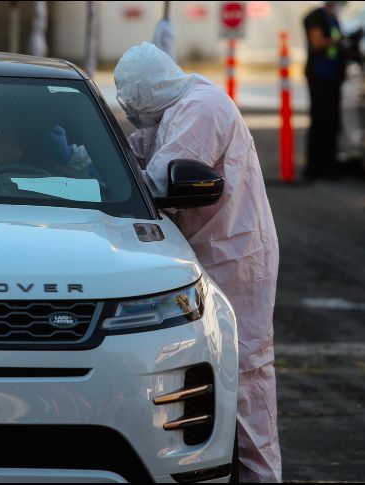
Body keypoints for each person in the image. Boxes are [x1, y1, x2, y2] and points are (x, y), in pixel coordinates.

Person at [114, 43, 281, 482]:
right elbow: (135, 152)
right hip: (210, 251)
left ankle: (261, 476)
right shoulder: (171, 108)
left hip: (237, 255)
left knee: (246, 371)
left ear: (147, 91)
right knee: (214, 369)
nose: (131, 111)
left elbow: (156, 178)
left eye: (132, 101)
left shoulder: (201, 108)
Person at [303, 1, 348, 180]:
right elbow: (317, 43)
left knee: (332, 122)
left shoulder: (333, 18)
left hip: (332, 78)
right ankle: (315, 167)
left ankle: (329, 164)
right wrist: (339, 41)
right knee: (321, 120)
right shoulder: (316, 17)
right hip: (320, 77)